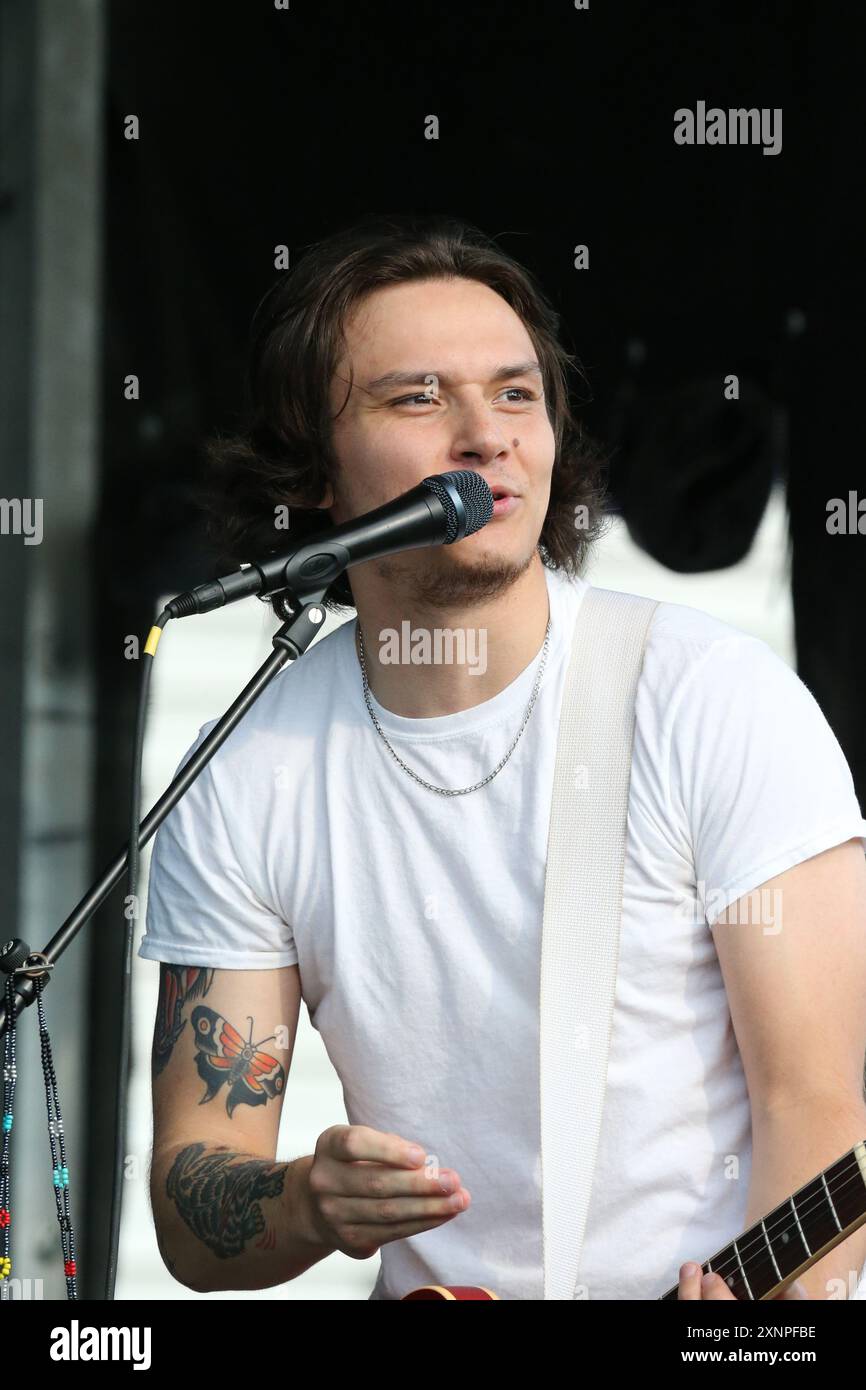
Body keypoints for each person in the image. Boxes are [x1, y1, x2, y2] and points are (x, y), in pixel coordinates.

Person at [138, 214, 866, 1301]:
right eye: (417, 397)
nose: (486, 435)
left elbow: (817, 1109)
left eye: (516, 393)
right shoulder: (253, 762)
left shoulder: (709, 700)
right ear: (314, 471)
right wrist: (304, 1202)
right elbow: (193, 1211)